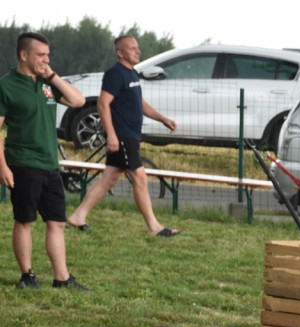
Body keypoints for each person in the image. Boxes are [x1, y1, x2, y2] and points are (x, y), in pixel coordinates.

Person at [66, 36, 179, 237]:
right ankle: (154, 227)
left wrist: (162, 119)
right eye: (133, 48)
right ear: (120, 53)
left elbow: (139, 102)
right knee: (140, 177)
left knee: (109, 179)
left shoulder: (132, 73)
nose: (138, 51)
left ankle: (78, 216)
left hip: (130, 136)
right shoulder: (114, 73)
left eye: (138, 48)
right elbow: (102, 103)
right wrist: (111, 135)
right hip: (122, 136)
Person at [0, 32, 88, 290]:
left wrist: (51, 75)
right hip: (23, 162)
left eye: (48, 55)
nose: (46, 59)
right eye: (41, 55)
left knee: (57, 221)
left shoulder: (47, 83)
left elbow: (78, 101)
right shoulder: (6, 85)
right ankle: (27, 277)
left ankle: (62, 278)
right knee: (25, 220)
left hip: (50, 163)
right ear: (23, 55)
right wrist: (3, 166)